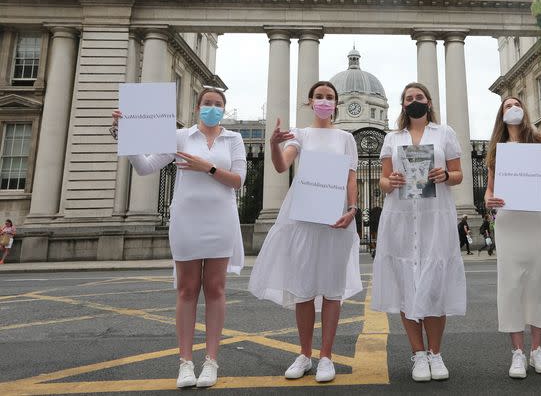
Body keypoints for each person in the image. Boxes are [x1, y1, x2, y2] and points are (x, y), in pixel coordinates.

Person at [112, 86, 246, 389]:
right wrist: (127, 135)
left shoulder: (233, 139)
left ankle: (211, 360)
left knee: (216, 289)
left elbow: (239, 181)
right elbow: (145, 167)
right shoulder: (181, 137)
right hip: (186, 218)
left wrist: (207, 167)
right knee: (187, 289)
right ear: (197, 107)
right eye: (207, 103)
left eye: (218, 104)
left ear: (224, 109)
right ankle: (185, 362)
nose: (213, 108)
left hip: (221, 218)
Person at [248, 81, 361, 384]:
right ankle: (304, 354)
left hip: (335, 218)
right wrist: (273, 144)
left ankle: (326, 356)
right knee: (303, 288)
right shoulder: (299, 134)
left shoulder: (346, 138)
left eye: (329, 97)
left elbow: (352, 179)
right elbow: (282, 165)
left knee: (332, 288)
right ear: (310, 101)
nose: (324, 101)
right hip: (303, 217)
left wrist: (352, 209)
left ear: (336, 103)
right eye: (319, 96)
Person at [372, 82, 466, 383]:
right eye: (409, 98)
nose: (415, 101)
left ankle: (436, 353)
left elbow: (459, 174)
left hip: (435, 216)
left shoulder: (444, 133)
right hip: (400, 216)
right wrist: (393, 181)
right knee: (406, 284)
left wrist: (445, 175)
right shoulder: (392, 137)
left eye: (419, 97)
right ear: (402, 105)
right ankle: (418, 353)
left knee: (434, 284)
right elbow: (383, 181)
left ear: (428, 102)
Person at [484, 73, 541, 379]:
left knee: (538, 282)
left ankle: (537, 350)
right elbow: (489, 189)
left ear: (523, 111)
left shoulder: (538, 140)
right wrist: (489, 199)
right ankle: (517, 353)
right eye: (507, 104)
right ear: (502, 114)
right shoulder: (496, 148)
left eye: (516, 103)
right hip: (509, 221)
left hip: (535, 218)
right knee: (510, 285)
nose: (512, 107)